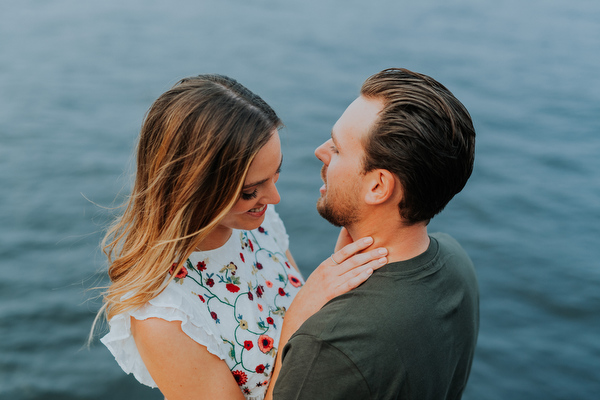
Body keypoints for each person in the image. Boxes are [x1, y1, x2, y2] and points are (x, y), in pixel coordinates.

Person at [94, 74, 388, 400]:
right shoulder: (164, 318)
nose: (274, 198)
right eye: (250, 191)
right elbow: (298, 320)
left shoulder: (257, 223)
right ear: (192, 189)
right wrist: (299, 318)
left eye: (276, 173)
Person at [269, 68, 479, 400]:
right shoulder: (456, 262)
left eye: (337, 149)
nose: (320, 152)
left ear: (379, 186)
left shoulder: (327, 345)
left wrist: (296, 321)